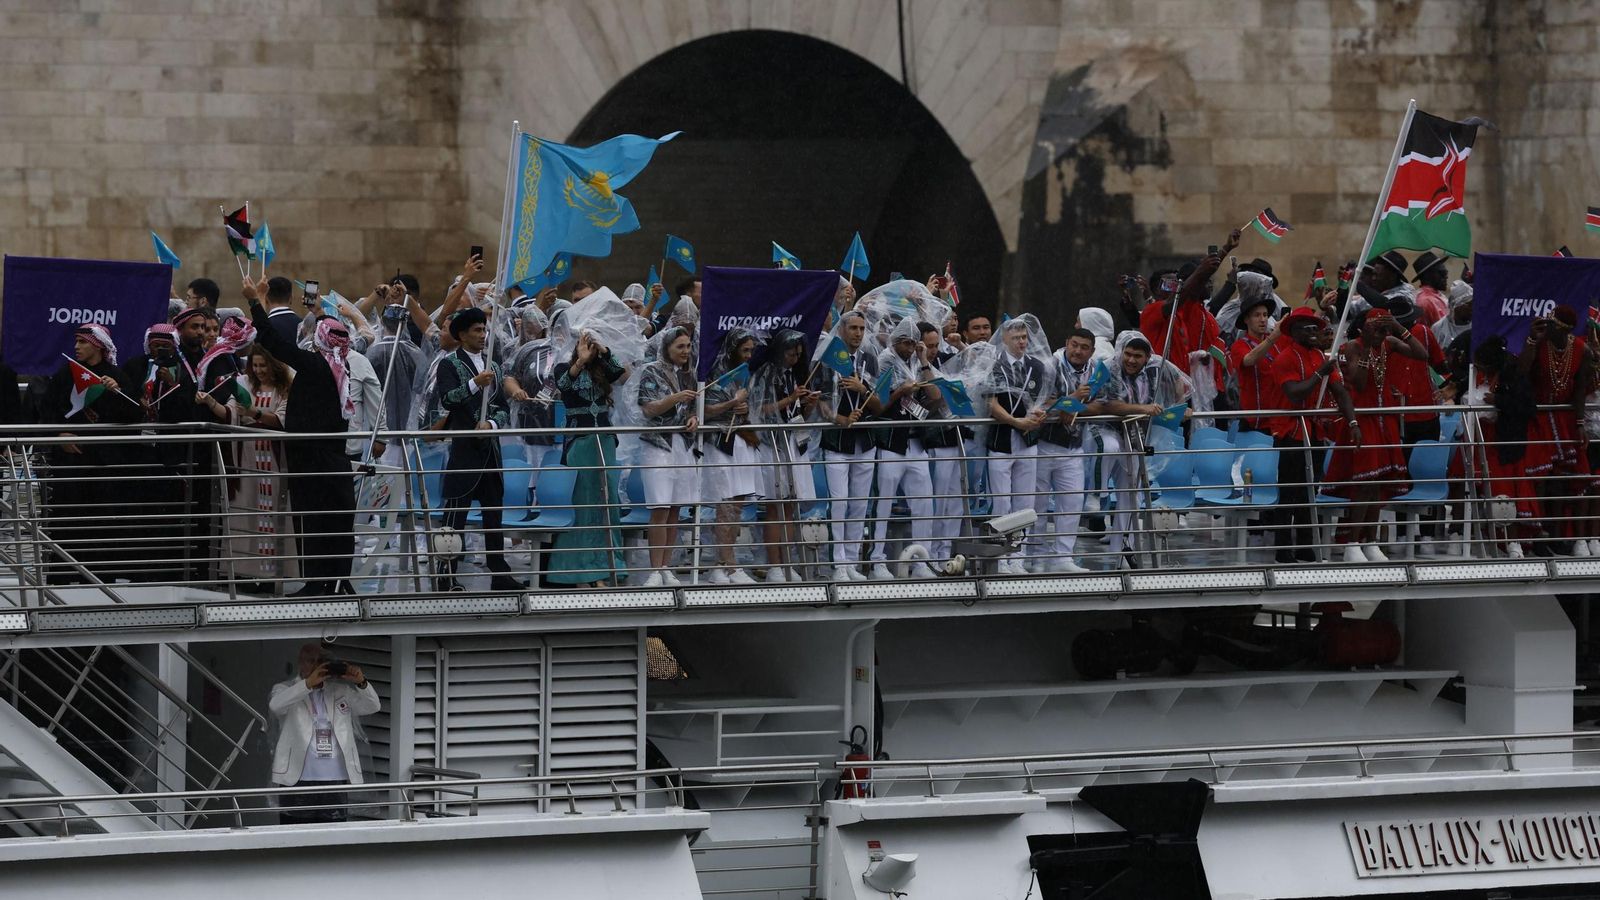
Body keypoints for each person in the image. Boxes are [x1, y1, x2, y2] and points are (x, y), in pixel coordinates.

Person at [246, 277, 358, 597]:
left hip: (311, 459)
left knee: (312, 521)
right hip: (334, 460)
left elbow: (272, 342)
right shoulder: (341, 368)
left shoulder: (315, 367)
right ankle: (338, 582)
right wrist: (319, 311)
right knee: (337, 524)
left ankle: (317, 583)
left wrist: (256, 301)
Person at [431, 307, 522, 592]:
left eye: (484, 330)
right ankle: (446, 575)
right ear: (461, 334)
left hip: (490, 452)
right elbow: (447, 399)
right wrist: (473, 384)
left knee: (493, 515)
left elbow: (503, 408)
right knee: (454, 517)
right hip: (464, 452)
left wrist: (493, 424)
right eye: (477, 330)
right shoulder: (449, 364)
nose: (483, 336)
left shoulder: (493, 366)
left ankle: (500, 573)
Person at [1325, 309, 1427, 562]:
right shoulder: (1352, 347)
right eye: (1376, 326)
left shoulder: (1390, 343)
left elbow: (1422, 355)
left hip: (1386, 420)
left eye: (1383, 326)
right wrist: (1369, 347)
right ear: (1364, 327)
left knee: (1379, 483)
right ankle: (1351, 542)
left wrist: (1398, 326)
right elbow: (1358, 384)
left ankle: (1371, 541)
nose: (1381, 332)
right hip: (1362, 418)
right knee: (1364, 483)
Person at [45, 324, 144, 581]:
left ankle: (101, 579)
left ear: (98, 346)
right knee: (67, 524)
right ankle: (62, 579)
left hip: (103, 466)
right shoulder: (66, 374)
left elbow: (134, 417)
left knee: (101, 524)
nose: (76, 347)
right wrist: (58, 436)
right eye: (76, 342)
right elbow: (46, 410)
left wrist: (119, 393)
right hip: (70, 464)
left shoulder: (116, 376)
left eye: (82, 342)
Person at [1260, 307, 1357, 563]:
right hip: (1290, 431)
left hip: (1314, 431)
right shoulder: (1285, 358)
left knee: (1308, 492)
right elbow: (1295, 392)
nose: (1314, 332)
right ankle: (1283, 550)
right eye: (1307, 328)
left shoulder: (1318, 356)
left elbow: (1339, 390)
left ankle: (1305, 546)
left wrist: (1353, 421)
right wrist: (1320, 373)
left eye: (1316, 328)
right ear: (1293, 332)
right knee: (1289, 493)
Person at [200, 343, 294, 594]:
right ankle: (242, 571)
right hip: (246, 459)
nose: (259, 370)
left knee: (270, 518)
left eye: (264, 365)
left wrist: (254, 412)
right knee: (244, 515)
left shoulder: (285, 388)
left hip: (273, 462)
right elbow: (229, 413)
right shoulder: (243, 384)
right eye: (256, 365)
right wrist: (210, 402)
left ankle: (268, 575)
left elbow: (281, 420)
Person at [1094, 331, 1191, 568]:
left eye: (1137, 356)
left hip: (1135, 435)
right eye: (1128, 354)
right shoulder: (1110, 368)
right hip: (1107, 430)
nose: (1131, 360)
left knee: (1130, 496)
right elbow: (1111, 404)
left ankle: (1120, 553)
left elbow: (1179, 386)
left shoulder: (1154, 370)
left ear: (1147, 357)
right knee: (1110, 448)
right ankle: (1098, 495)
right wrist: (1144, 408)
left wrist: (1179, 408)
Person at [547, 331, 626, 587]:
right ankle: (582, 572)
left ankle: (606, 568)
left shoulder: (603, 367)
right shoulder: (564, 367)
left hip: (604, 441)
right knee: (583, 504)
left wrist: (604, 350)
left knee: (607, 502)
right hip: (580, 442)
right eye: (585, 342)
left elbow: (618, 373)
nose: (589, 347)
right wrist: (579, 361)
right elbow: (563, 385)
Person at [269, 643, 379, 824]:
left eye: (320, 661)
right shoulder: (285, 688)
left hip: (335, 777)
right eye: (311, 661)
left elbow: (373, 706)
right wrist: (307, 685)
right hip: (297, 777)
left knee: (333, 835)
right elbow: (276, 706)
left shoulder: (339, 691)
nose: (316, 665)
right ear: (300, 663)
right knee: (296, 832)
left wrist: (361, 682)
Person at [1520, 306, 1596, 556]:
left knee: (1568, 479)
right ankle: (1538, 533)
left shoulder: (1582, 350)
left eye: (1552, 325)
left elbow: (1579, 390)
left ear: (1564, 330)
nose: (1547, 328)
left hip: (1565, 418)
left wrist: (1580, 424)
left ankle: (1565, 535)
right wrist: (1531, 340)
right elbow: (1521, 373)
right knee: (1539, 478)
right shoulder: (1539, 344)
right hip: (1539, 417)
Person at [868, 319, 940, 580]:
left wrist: (923, 359)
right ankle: (877, 560)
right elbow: (877, 404)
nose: (910, 348)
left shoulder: (916, 362)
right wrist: (900, 391)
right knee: (884, 502)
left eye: (914, 343)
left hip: (916, 443)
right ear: (896, 341)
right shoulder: (884, 360)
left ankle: (922, 561)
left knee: (924, 503)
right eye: (907, 343)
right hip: (892, 442)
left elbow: (935, 396)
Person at [751, 328, 820, 583]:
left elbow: (801, 413)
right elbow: (758, 409)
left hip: (794, 442)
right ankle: (774, 566)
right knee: (774, 507)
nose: (794, 358)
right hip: (772, 446)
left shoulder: (796, 374)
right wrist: (789, 399)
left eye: (798, 354)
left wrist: (808, 403)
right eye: (790, 353)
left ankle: (788, 563)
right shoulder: (764, 374)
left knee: (790, 508)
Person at [985, 316, 1051, 574]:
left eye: (1024, 337)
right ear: (1005, 339)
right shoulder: (994, 364)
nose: (1022, 342)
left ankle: (1019, 557)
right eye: (1016, 338)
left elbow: (1041, 399)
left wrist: (1039, 413)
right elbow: (991, 404)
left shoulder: (1037, 365)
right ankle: (1001, 558)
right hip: (1002, 439)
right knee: (1001, 501)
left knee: (1025, 502)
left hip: (1028, 440)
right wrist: (1015, 421)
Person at [819, 311, 882, 581]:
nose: (858, 333)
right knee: (840, 500)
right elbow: (821, 401)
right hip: (837, 439)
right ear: (842, 330)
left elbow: (880, 403)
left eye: (861, 328)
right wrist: (838, 418)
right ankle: (838, 562)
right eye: (853, 328)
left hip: (865, 439)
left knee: (859, 503)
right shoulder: (829, 357)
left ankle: (853, 561)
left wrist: (862, 388)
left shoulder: (870, 359)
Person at [634, 326, 699, 587]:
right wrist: (674, 398)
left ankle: (665, 567)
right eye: (680, 347)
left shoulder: (689, 375)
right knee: (660, 508)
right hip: (656, 445)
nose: (686, 351)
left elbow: (691, 408)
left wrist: (693, 417)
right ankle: (653, 569)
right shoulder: (652, 371)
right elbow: (648, 408)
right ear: (667, 348)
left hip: (681, 446)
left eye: (688, 346)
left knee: (675, 508)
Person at [1028, 327, 1096, 573]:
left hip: (1074, 446)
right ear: (1066, 342)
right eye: (1074, 344)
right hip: (1045, 444)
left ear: (1092, 351)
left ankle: (1063, 557)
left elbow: (1102, 402)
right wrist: (1071, 399)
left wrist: (1075, 406)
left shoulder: (1096, 369)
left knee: (1072, 501)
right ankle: (1034, 556)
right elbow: (1038, 402)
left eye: (1084, 347)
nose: (1078, 351)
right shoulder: (1049, 365)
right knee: (1038, 503)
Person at [1467, 337, 1541, 558]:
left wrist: (1497, 400)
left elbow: (1527, 408)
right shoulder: (1484, 376)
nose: (1478, 367)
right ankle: (1491, 538)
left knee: (1506, 492)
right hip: (1486, 441)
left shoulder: (1513, 376)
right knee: (1489, 490)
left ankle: (1513, 541)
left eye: (1481, 363)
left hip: (1507, 445)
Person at [700, 329, 761, 584]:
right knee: (724, 506)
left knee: (736, 506)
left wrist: (745, 406)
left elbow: (749, 406)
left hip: (741, 441)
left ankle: (728, 563)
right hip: (720, 443)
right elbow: (704, 409)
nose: (748, 355)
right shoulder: (716, 373)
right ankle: (723, 565)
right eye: (744, 350)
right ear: (733, 348)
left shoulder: (746, 375)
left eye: (751, 351)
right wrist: (731, 403)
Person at [365, 304, 424, 468]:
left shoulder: (372, 353)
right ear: (404, 324)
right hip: (410, 429)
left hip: (380, 430)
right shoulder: (416, 354)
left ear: (382, 322)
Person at [1228, 294, 1281, 436]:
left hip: (1277, 420)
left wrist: (1323, 308)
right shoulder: (1239, 345)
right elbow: (1249, 360)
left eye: (1265, 315)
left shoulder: (1277, 344)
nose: (1263, 319)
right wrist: (1273, 338)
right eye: (1257, 315)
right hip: (1254, 422)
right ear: (1246, 320)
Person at [1410, 251, 1450, 326]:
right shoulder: (1425, 302)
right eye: (1442, 273)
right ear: (1427, 276)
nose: (1446, 277)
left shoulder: (1436, 294)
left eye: (1446, 273)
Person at [1432, 280, 1473, 350]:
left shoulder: (1478, 327)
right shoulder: (1439, 328)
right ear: (1456, 306)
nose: (1472, 308)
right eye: (1469, 304)